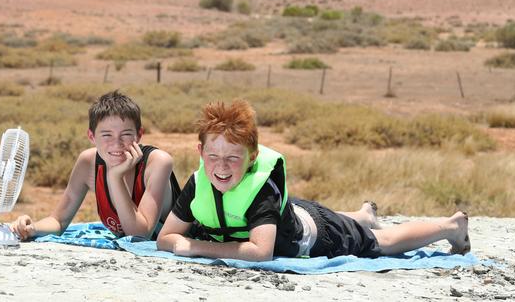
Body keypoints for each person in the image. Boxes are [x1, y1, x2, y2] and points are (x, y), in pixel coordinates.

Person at [157, 100, 470, 262]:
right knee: (345, 220)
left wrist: (193, 246)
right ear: (200, 151)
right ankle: (364, 215)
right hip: (290, 213)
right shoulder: (199, 182)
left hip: (320, 234)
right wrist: (181, 243)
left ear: (252, 157)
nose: (221, 167)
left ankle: (451, 226)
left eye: (232, 158)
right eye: (213, 156)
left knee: (383, 243)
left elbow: (260, 252)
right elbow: (165, 238)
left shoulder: (261, 190)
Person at [11, 90, 180, 241]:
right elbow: (59, 220)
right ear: (91, 136)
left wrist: (115, 177)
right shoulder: (88, 162)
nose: (117, 143)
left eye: (126, 134)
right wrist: (32, 228)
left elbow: (139, 235)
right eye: (106, 135)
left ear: (139, 135)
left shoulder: (158, 162)